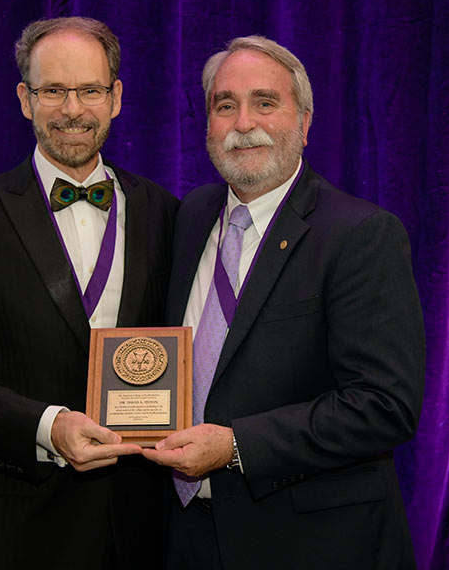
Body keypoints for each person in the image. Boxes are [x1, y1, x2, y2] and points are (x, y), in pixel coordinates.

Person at [0, 17, 178, 569]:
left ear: (116, 97)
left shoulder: (168, 214)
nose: (73, 109)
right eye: (53, 90)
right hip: (15, 532)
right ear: (26, 99)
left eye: (90, 90)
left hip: (144, 532)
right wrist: (46, 426)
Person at [142, 35, 425, 569]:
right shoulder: (190, 217)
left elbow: (385, 405)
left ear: (305, 122)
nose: (243, 122)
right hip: (185, 538)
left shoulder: (361, 234)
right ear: (208, 125)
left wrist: (234, 445)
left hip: (310, 543)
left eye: (265, 102)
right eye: (225, 105)